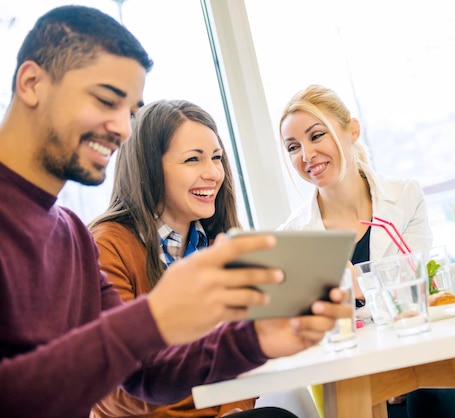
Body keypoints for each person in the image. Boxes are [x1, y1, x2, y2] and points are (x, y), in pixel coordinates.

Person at [0, 6, 349, 418]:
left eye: (129, 112)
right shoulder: (93, 237)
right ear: (32, 83)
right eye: (106, 100)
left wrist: (257, 339)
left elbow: (144, 372)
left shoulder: (71, 236)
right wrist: (155, 315)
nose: (124, 129)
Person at [88, 99, 260, 417]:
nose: (213, 173)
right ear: (150, 167)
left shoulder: (219, 243)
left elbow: (241, 361)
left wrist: (234, 408)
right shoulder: (106, 246)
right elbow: (115, 390)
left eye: (217, 158)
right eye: (193, 159)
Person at [277, 84, 434, 417]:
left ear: (352, 131)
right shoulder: (292, 239)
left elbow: (422, 294)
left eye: (316, 136)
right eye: (293, 147)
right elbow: (310, 334)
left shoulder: (405, 198)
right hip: (354, 380)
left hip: (422, 365)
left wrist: (358, 291)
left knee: (428, 399)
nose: (306, 156)